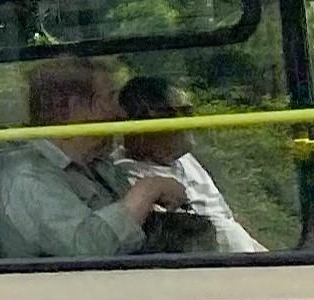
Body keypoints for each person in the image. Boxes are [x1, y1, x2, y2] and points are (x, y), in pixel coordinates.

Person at [0, 54, 186, 261]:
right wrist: (147, 191)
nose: (120, 112)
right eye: (110, 99)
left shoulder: (98, 166)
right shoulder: (26, 180)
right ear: (74, 109)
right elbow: (88, 250)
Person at [112, 75, 263, 254]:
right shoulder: (124, 176)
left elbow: (227, 218)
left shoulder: (185, 160)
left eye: (189, 112)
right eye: (182, 112)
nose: (189, 121)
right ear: (148, 122)